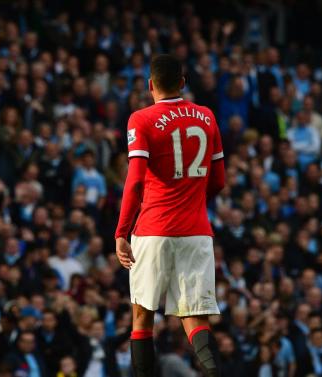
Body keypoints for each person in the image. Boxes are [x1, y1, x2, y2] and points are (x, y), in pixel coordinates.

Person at [114, 54, 225, 377]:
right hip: (196, 230)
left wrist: (122, 231)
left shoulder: (141, 119)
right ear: (183, 83)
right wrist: (191, 201)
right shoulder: (206, 117)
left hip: (153, 229)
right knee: (194, 318)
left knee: (142, 315)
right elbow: (218, 181)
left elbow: (135, 181)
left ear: (150, 85)